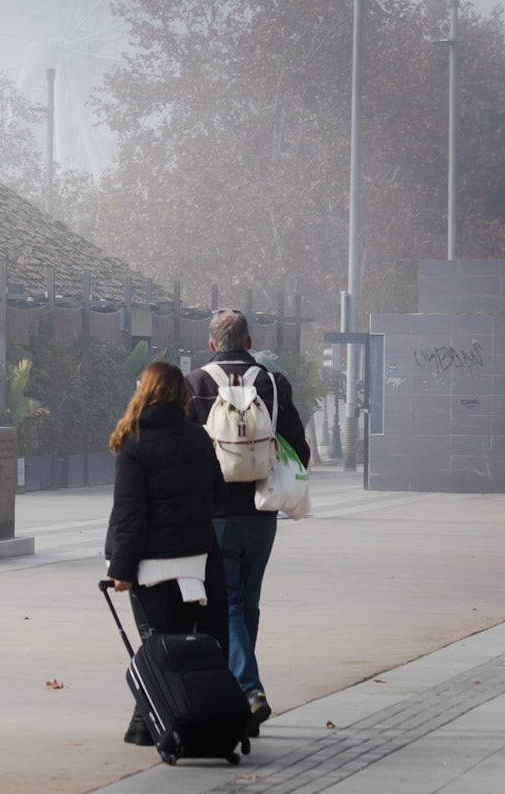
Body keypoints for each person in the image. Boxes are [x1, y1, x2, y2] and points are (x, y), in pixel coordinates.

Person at [185, 308, 310, 737]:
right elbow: (298, 447)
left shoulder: (195, 384)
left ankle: (248, 688)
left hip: (216, 514)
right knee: (247, 600)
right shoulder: (274, 384)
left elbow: (186, 451)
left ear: (212, 343)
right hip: (262, 509)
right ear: (251, 343)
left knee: (230, 602)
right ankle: (242, 696)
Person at [105, 361, 229, 747]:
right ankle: (167, 717)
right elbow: (219, 499)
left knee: (156, 643)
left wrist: (121, 569)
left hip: (151, 568)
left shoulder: (133, 441)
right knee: (185, 643)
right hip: (196, 562)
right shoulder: (198, 437)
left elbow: (129, 512)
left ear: (144, 392)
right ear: (181, 395)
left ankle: (147, 722)